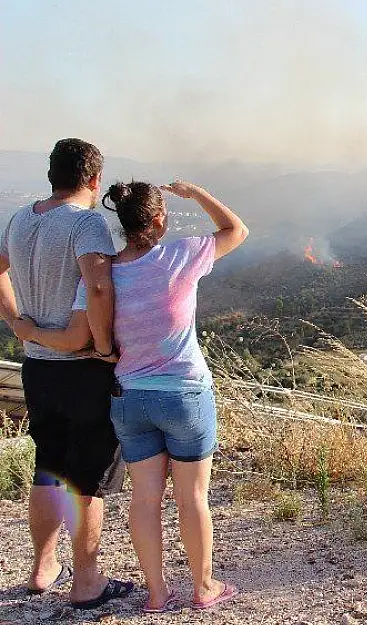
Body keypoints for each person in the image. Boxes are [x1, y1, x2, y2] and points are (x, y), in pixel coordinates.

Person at [14, 180, 248, 613]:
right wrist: (195, 192)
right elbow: (236, 229)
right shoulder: (181, 256)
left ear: (120, 222)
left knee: (144, 498)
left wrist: (37, 333)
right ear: (159, 220)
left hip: (130, 398)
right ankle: (203, 588)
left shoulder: (102, 274)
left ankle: (156, 594)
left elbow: (88, 324)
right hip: (185, 394)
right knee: (192, 496)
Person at [0, 139, 135, 609]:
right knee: (87, 477)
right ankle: (88, 582)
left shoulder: (21, 219)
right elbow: (98, 286)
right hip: (82, 370)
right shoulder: (86, 221)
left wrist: (19, 324)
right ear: (94, 180)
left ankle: (41, 568)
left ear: (51, 176)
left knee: (49, 467)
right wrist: (102, 347)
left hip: (38, 367)